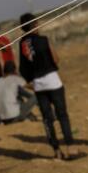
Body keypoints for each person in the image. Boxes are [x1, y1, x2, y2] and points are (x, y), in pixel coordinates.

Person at [18, 12, 75, 159]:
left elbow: (23, 68)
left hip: (38, 84)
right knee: (62, 114)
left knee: (47, 118)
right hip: (52, 80)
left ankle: (56, 150)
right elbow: (56, 59)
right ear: (35, 25)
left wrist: (30, 79)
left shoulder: (22, 44)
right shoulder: (43, 40)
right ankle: (71, 148)